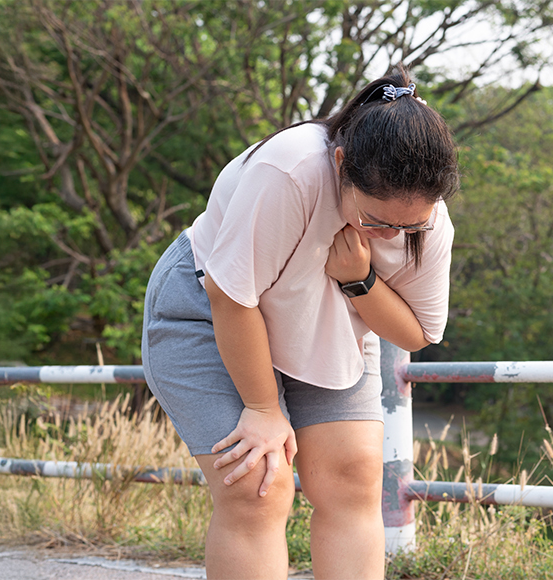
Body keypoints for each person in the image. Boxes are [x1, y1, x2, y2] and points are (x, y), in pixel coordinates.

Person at [140, 68, 458, 579]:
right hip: (209, 311)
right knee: (258, 486)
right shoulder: (291, 168)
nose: (392, 233)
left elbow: (417, 332)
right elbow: (229, 293)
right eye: (377, 220)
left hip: (328, 327)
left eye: (408, 225)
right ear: (340, 164)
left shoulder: (429, 220)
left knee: (353, 480)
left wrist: (360, 280)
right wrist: (263, 409)